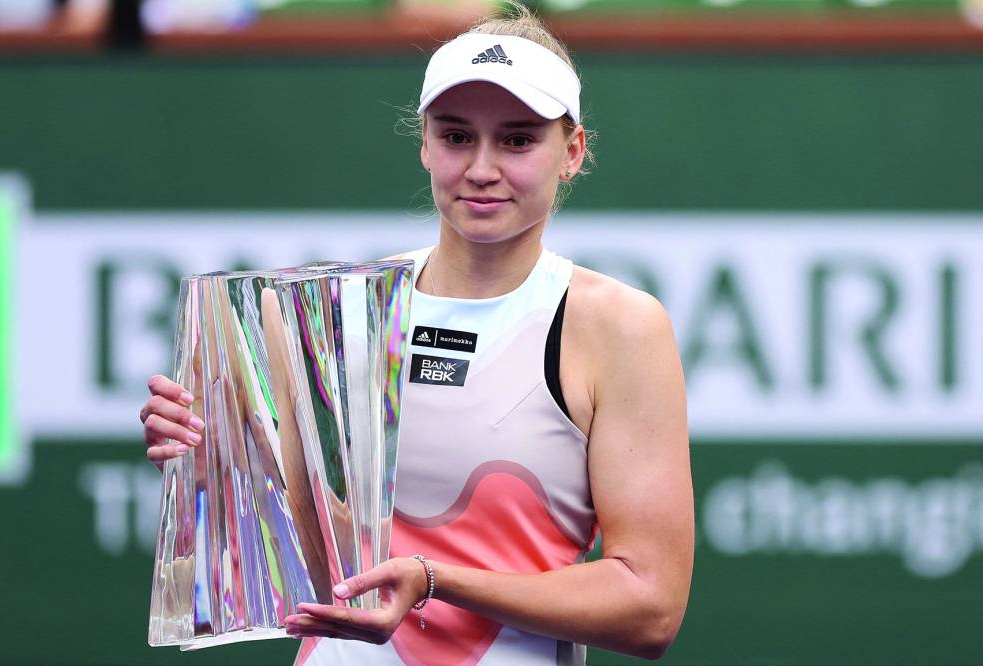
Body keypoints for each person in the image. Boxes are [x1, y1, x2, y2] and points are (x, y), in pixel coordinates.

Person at [139, 3, 694, 664]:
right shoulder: (332, 309)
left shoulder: (619, 326)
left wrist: (435, 581)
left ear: (571, 151)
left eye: (517, 140)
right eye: (457, 137)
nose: (483, 167)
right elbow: (322, 565)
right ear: (425, 142)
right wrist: (217, 456)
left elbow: (650, 607)